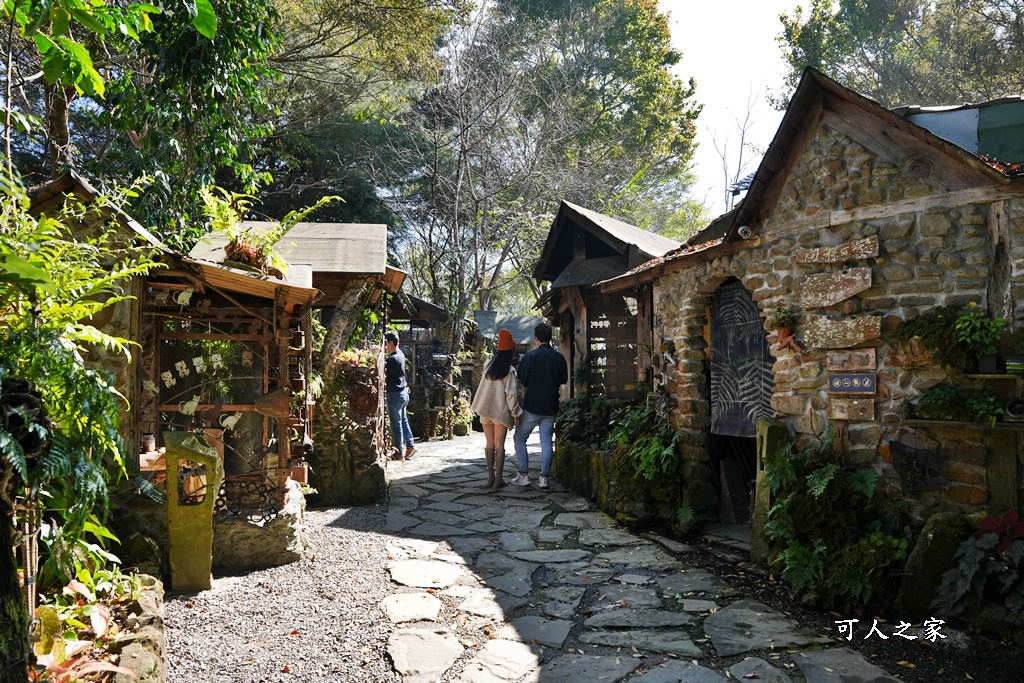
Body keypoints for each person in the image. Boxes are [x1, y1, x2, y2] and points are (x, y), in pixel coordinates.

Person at [511, 322, 567, 489]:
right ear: (550, 338)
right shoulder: (558, 357)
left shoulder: (530, 356)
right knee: (546, 442)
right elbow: (563, 379)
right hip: (550, 405)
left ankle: (523, 475)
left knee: (520, 438)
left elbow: (522, 378)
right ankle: (544, 478)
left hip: (532, 405)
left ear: (536, 339)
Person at [470, 328, 523, 489]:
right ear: (511, 351)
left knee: (489, 444)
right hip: (500, 411)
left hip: (485, 408)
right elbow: (511, 394)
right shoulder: (509, 370)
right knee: (499, 445)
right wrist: (515, 414)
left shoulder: (487, 364)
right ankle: (498, 479)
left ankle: (489, 478)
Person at [384, 331, 416, 460]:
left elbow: (381, 369)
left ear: (391, 342)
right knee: (403, 421)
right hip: (403, 393)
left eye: (385, 343)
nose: (384, 346)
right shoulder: (401, 354)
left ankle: (399, 453)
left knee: (396, 426)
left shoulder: (392, 359)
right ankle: (410, 445)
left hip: (395, 395)